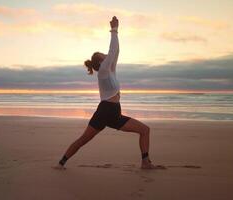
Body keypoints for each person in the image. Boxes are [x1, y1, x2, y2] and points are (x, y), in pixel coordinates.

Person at [54, 16, 161, 170]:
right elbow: (112, 52)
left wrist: (117, 33)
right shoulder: (103, 72)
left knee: (145, 130)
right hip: (105, 112)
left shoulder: (111, 70)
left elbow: (115, 51)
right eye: (104, 55)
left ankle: (145, 162)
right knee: (84, 139)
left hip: (114, 112)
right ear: (100, 62)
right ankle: (61, 163)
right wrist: (114, 30)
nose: (107, 55)